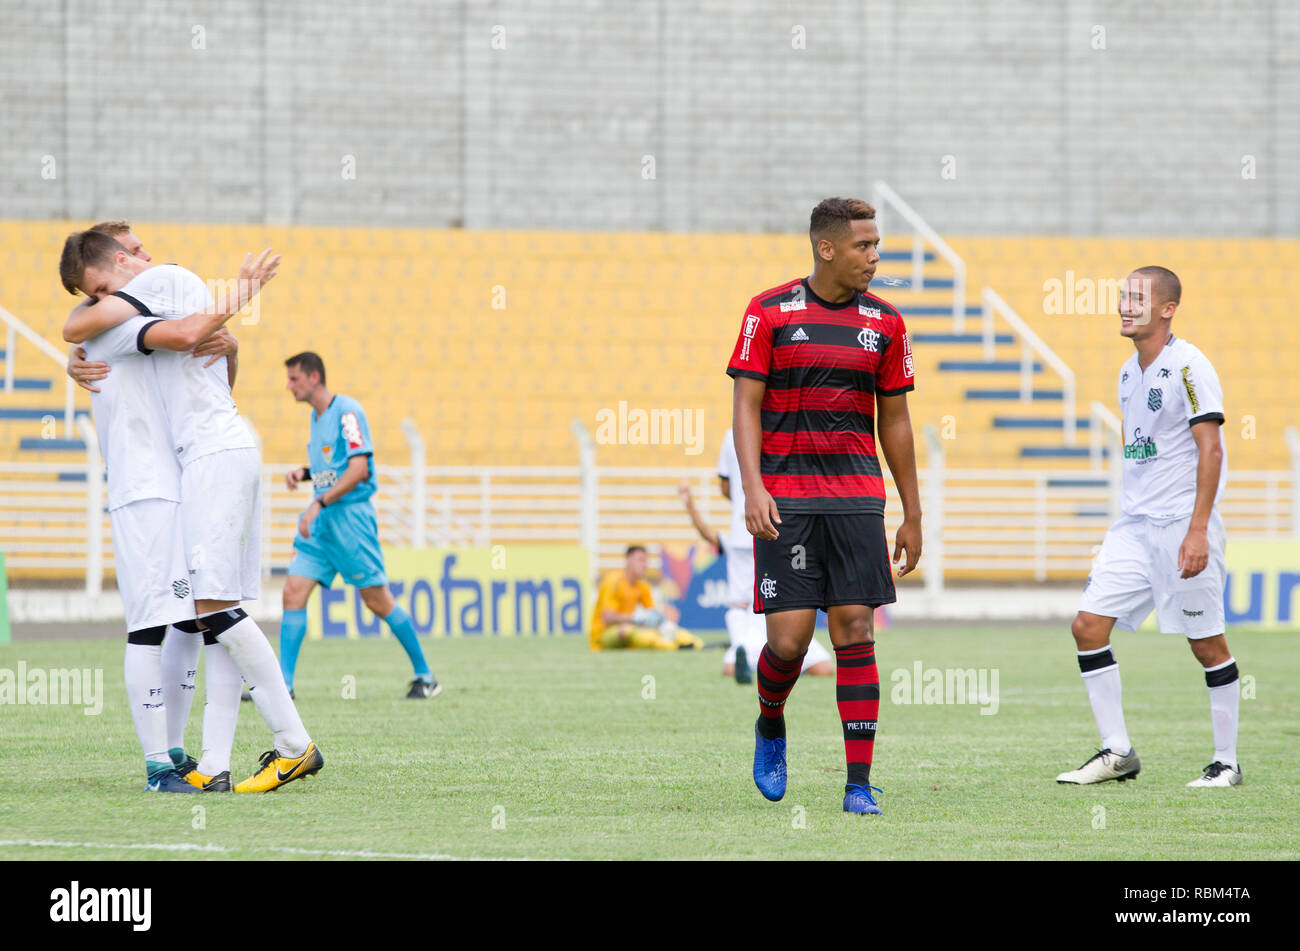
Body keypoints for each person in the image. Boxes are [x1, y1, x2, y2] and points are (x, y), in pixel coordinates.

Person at [60, 231, 323, 793]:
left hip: (198, 466)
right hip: (160, 481)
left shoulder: (158, 286)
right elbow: (82, 327)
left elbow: (177, 340)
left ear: (126, 260)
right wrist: (232, 321)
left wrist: (229, 326)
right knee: (184, 619)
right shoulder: (140, 307)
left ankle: (275, 749)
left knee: (206, 612)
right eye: (95, 293)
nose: (99, 300)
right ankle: (192, 763)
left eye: (102, 289)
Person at [727, 196, 922, 815]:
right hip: (787, 500)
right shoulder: (769, 312)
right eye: (864, 246)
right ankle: (769, 720)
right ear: (827, 248)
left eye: (877, 245)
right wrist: (753, 486)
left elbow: (896, 418)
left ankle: (857, 782)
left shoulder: (886, 324)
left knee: (855, 631)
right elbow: (746, 406)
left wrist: (912, 511)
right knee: (787, 642)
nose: (875, 256)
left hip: (857, 500)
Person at [64, 223, 241, 786]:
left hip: (173, 486)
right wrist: (238, 299)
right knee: (149, 626)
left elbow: (213, 372)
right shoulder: (116, 324)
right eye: (133, 253)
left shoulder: (130, 315)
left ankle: (175, 751)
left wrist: (230, 344)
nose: (147, 259)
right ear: (112, 269)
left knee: (187, 621)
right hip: (142, 493)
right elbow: (186, 335)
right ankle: (155, 764)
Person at [1057, 266, 1240, 788]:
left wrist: (1198, 528)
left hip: (1183, 523)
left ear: (1167, 309)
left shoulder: (1189, 365)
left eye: (1137, 298)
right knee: (1088, 626)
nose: (1125, 306)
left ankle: (1227, 761)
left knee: (1206, 644)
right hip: (1135, 526)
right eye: (1122, 297)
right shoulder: (1125, 371)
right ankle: (1118, 753)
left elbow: (1212, 448)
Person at [280, 352, 440, 698]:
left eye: (294, 379)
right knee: (293, 592)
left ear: (314, 377)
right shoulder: (315, 417)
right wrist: (305, 473)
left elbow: (359, 469)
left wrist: (318, 502)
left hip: (350, 520)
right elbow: (334, 466)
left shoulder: (348, 413)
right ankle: (284, 686)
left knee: (377, 600)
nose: (289, 386)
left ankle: (426, 676)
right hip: (322, 523)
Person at [678, 464, 832, 683]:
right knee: (732, 667)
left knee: (823, 668)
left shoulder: (783, 538)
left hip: (777, 612)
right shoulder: (736, 541)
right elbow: (707, 533)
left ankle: (768, 666)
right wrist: (689, 504)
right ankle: (765, 665)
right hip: (748, 615)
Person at [589, 546, 702, 650]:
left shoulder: (642, 586)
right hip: (604, 635)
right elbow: (608, 618)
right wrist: (634, 618)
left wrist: (660, 621)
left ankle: (695, 643)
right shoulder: (613, 582)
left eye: (645, 561)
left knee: (664, 629)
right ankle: (671, 647)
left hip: (628, 629)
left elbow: (651, 614)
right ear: (628, 560)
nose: (644, 565)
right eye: (640, 560)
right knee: (627, 631)